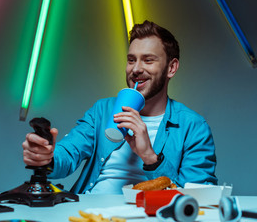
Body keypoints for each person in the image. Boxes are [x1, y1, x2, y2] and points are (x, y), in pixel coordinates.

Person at [22, 20, 217, 194]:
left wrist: (150, 156)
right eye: (131, 60)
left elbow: (198, 198)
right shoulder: (102, 110)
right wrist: (46, 156)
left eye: (148, 60)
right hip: (90, 213)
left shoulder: (193, 127)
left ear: (171, 68)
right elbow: (69, 152)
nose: (136, 69)